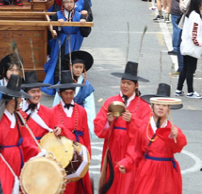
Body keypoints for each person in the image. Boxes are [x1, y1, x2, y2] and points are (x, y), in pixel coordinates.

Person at [118, 83, 187, 193]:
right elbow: (135, 151)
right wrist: (126, 163)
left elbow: (178, 148)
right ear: (152, 106)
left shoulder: (173, 129)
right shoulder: (143, 127)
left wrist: (177, 136)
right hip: (147, 169)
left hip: (167, 172)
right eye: (158, 104)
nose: (161, 107)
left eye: (164, 105)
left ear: (168, 109)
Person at [94, 61, 151, 194]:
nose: (125, 86)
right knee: (111, 181)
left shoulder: (143, 105)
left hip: (131, 150)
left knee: (128, 183)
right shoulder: (110, 102)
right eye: (123, 82)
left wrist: (133, 121)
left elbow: (148, 131)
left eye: (129, 83)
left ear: (136, 86)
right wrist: (108, 122)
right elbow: (98, 127)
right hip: (113, 148)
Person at [0, 75, 38, 194]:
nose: (22, 102)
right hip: (2, 165)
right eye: (20, 99)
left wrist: (39, 153)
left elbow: (25, 141)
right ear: (13, 100)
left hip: (19, 162)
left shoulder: (19, 119)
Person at [49, 71, 93, 194]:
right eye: (66, 93)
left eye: (71, 93)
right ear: (60, 93)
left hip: (79, 153)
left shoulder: (82, 111)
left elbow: (86, 136)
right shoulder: (52, 112)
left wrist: (87, 155)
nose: (69, 96)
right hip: (62, 155)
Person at [51, 51, 96, 136]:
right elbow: (56, 104)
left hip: (79, 118)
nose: (78, 70)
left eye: (80, 67)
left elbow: (90, 109)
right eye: (76, 67)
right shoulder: (62, 83)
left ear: (84, 69)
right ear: (71, 67)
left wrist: (90, 126)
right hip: (62, 116)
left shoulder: (87, 86)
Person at [177, 0, 202, 99]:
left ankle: (179, 89)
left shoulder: (190, 14)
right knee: (191, 69)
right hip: (192, 46)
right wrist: (198, 42)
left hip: (186, 44)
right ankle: (190, 91)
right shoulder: (196, 16)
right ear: (198, 4)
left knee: (185, 68)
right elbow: (194, 32)